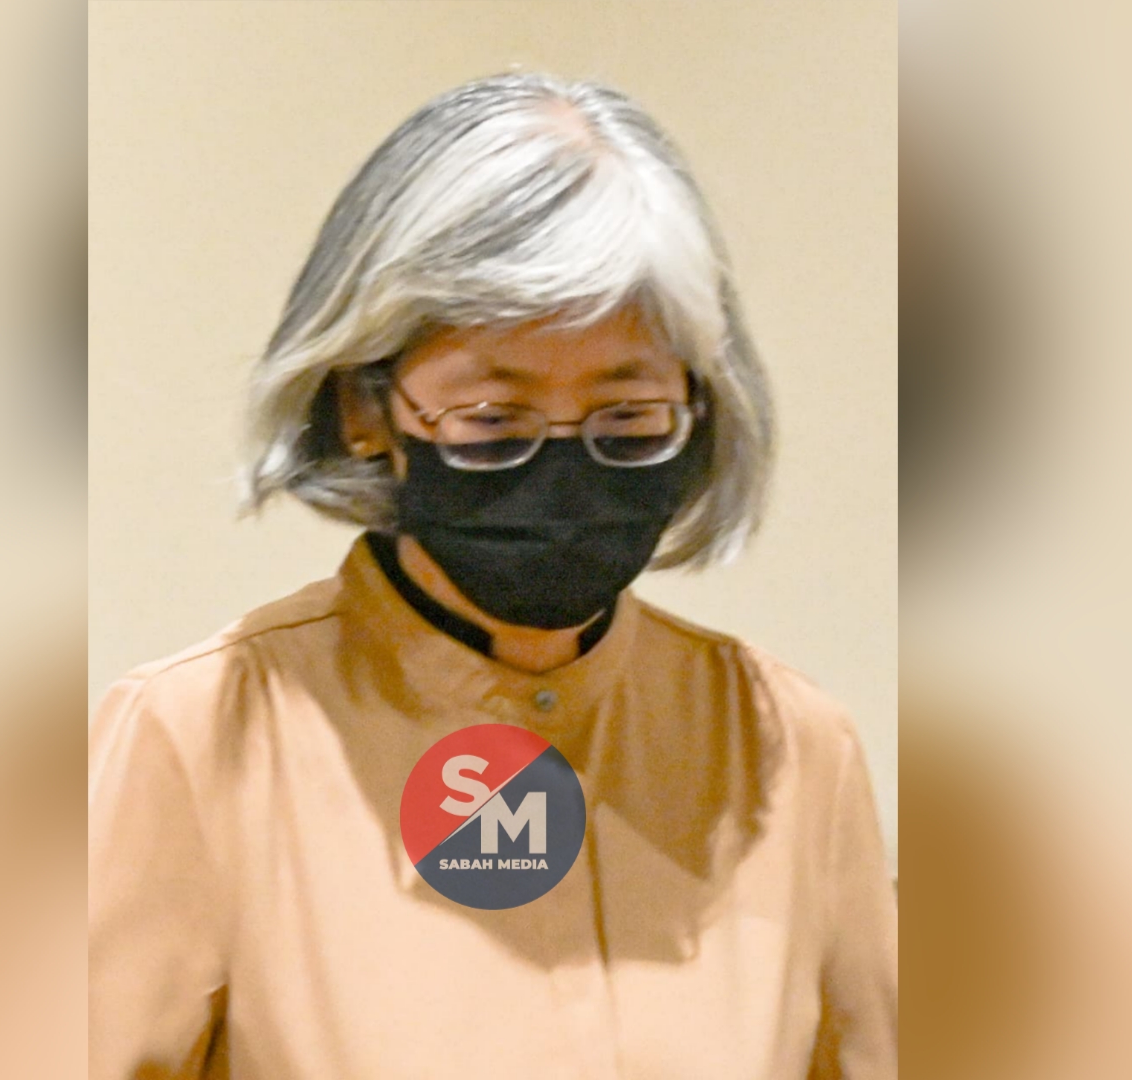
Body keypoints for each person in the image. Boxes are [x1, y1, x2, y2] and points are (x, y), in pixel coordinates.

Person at [89, 72, 896, 1079]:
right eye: (492, 420)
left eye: (627, 419)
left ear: (700, 411)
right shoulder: (201, 738)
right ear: (365, 410)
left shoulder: (790, 752)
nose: (562, 471)